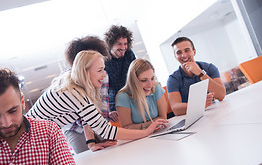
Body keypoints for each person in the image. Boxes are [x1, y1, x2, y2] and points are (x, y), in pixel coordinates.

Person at [27, 50, 167, 148]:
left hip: (35, 136)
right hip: (29, 137)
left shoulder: (73, 86)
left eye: (103, 69)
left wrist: (91, 144)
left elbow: (88, 119)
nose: (103, 75)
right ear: (85, 72)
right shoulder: (75, 93)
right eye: (99, 70)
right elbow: (106, 130)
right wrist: (146, 132)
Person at [61, 36, 118, 153]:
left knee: (110, 148)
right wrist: (91, 141)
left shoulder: (103, 75)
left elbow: (103, 104)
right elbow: (83, 115)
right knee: (85, 154)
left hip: (94, 119)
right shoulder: (69, 79)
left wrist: (104, 130)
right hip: (74, 127)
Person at [167, 37, 226, 116]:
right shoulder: (173, 79)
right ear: (175, 57)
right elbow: (176, 109)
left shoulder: (209, 68)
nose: (183, 55)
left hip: (214, 113)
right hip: (192, 118)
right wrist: (199, 104)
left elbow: (221, 95)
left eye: (187, 50)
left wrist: (200, 73)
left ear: (194, 52)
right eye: (179, 52)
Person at [116, 59, 168, 129]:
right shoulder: (123, 97)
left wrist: (140, 126)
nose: (150, 85)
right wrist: (149, 125)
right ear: (133, 81)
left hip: (158, 131)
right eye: (144, 80)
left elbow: (163, 118)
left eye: (152, 78)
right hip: (138, 137)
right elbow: (127, 128)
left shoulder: (156, 87)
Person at [104, 25, 136, 111]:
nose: (123, 47)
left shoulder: (129, 54)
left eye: (125, 44)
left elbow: (136, 74)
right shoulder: (103, 60)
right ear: (110, 44)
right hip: (114, 101)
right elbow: (106, 88)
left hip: (132, 94)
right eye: (119, 44)